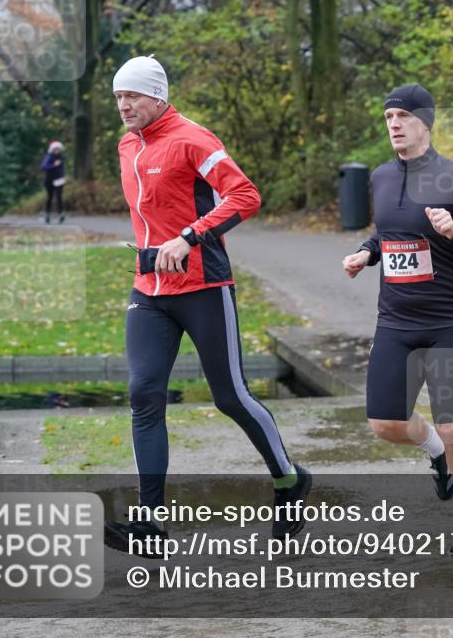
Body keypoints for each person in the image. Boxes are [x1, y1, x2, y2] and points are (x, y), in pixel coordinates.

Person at [103, 55, 311, 558]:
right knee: (143, 394)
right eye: (117, 97)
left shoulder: (195, 139)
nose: (124, 105)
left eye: (132, 95)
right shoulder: (128, 144)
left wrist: (189, 237)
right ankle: (149, 524)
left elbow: (245, 195)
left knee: (230, 396)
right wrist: (156, 251)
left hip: (203, 287)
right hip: (150, 291)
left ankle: (289, 482)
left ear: (157, 95)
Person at [341, 84, 453, 555]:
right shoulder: (381, 177)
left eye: (403, 116)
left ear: (425, 123)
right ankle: (436, 455)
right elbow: (387, 231)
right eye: (389, 115)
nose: (393, 123)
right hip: (396, 319)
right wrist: (365, 254)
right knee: (385, 423)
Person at [40, 141, 65, 224]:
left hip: (59, 180)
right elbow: (43, 167)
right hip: (49, 180)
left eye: (58, 149)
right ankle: (47, 214)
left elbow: (62, 169)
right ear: (52, 150)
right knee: (50, 197)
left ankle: (60, 215)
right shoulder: (49, 157)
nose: (57, 151)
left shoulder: (61, 157)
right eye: (55, 149)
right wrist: (53, 165)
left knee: (59, 197)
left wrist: (63, 176)